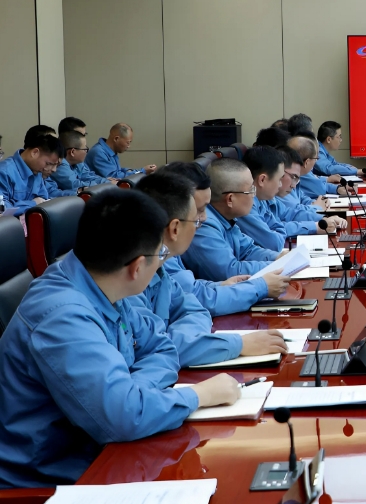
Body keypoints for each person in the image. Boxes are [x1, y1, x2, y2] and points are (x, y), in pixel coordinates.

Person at [0, 189, 241, 487]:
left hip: (105, 454)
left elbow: (162, 347)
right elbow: (124, 419)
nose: (161, 263)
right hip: (52, 485)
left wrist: (133, 393)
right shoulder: (62, 316)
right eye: (160, 255)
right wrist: (200, 395)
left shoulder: (105, 282)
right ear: (137, 267)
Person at [131, 173, 288, 366]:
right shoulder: (133, 282)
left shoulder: (159, 270)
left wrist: (185, 340)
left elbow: (195, 309)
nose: (203, 220)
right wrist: (237, 344)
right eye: (196, 216)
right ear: (175, 228)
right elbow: (159, 349)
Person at [160, 162, 287, 316]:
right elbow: (195, 298)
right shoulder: (157, 255)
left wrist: (219, 286)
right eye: (200, 210)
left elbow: (189, 289)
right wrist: (261, 286)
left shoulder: (164, 251)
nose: (204, 217)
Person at [184, 158, 281, 281]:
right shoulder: (204, 225)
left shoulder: (226, 217)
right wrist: (278, 266)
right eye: (250, 190)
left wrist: (279, 257)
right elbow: (230, 272)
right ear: (230, 199)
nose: (254, 195)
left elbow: (248, 250)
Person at [0, 131, 65, 214]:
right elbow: (3, 210)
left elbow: (43, 199)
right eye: (49, 164)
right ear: (35, 153)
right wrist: (33, 203)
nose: (53, 170)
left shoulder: (37, 171)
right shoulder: (4, 172)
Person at [51, 127, 113, 193]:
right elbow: (75, 185)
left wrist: (106, 181)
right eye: (85, 149)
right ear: (72, 152)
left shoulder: (78, 162)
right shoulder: (59, 164)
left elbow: (88, 176)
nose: (86, 152)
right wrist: (103, 184)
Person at [86, 123, 156, 179]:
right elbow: (115, 177)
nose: (129, 146)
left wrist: (132, 171)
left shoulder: (109, 151)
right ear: (116, 139)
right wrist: (143, 171)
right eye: (128, 142)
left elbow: (117, 171)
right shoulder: (99, 152)